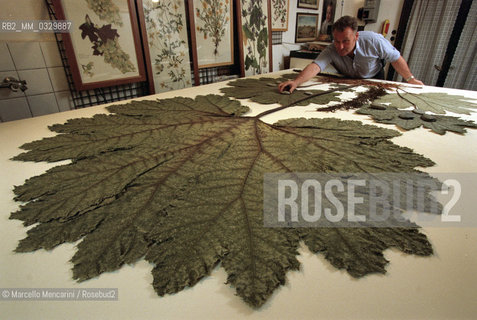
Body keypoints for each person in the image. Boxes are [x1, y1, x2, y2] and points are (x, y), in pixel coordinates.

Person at [278, 15, 423, 93]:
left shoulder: (374, 40)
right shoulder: (331, 49)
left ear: (356, 37)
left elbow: (395, 58)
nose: (340, 46)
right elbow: (315, 66)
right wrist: (296, 82)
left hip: (374, 77)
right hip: (348, 79)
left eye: (346, 41)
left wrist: (410, 79)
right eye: (337, 41)